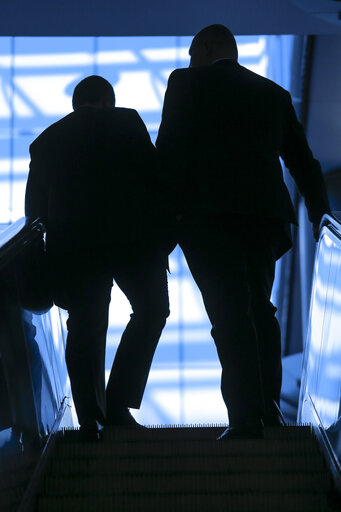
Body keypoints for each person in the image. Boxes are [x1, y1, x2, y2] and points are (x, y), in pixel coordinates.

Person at [156, 25, 330, 438]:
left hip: (207, 220)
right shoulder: (272, 93)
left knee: (229, 316)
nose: (190, 61)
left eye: (193, 52)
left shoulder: (184, 83)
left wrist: (162, 231)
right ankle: (268, 407)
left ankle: (246, 419)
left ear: (208, 48)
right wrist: (320, 216)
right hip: (264, 220)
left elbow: (168, 155)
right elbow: (305, 163)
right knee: (260, 310)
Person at [25, 75, 169, 440]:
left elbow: (34, 214)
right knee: (152, 312)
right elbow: (156, 179)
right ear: (108, 100)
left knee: (86, 326)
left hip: (73, 247)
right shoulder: (127, 121)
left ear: (77, 104)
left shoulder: (45, 142)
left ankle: (89, 419)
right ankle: (118, 403)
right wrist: (166, 235)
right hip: (134, 241)